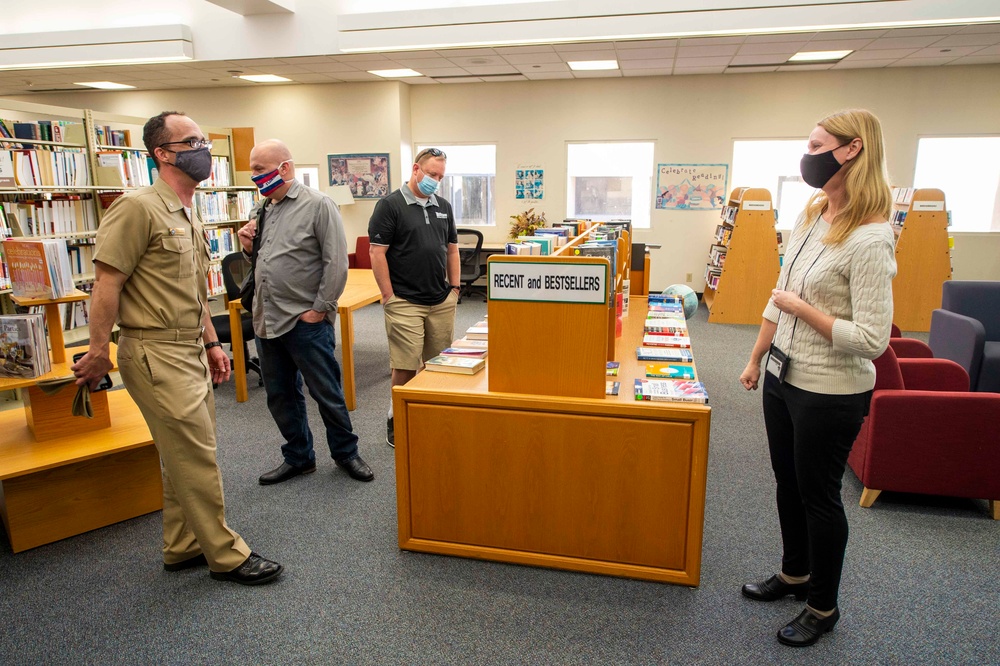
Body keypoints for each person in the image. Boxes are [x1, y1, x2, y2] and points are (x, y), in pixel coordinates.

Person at [72, 111, 282, 586]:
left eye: (204, 139)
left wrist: (211, 342)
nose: (203, 148)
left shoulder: (185, 210)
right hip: (153, 352)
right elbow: (107, 284)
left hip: (187, 348)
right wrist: (99, 349)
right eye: (191, 141)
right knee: (198, 456)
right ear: (162, 153)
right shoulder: (137, 207)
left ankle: (182, 544)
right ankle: (226, 555)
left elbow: (189, 291)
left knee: (183, 453)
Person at [739, 109, 896, 647]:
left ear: (851, 150)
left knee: (819, 497)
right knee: (788, 483)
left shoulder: (871, 238)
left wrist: (804, 312)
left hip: (830, 390)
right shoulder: (812, 214)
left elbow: (873, 339)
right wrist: (757, 355)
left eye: (816, 144)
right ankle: (793, 573)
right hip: (784, 375)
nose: (807, 155)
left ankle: (822, 606)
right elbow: (779, 292)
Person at [238, 139, 374, 485]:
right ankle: (299, 457)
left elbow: (335, 263)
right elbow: (261, 264)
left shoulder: (318, 205)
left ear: (284, 168)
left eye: (258, 169)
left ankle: (346, 453)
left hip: (304, 321)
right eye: (252, 169)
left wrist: (319, 311)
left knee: (325, 391)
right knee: (281, 395)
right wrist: (247, 247)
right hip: (267, 319)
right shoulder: (262, 209)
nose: (253, 176)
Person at [368, 148, 460, 447]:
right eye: (432, 174)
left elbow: (452, 249)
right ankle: (398, 417)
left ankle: (431, 413)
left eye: (440, 176)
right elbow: (376, 253)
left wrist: (455, 289)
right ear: (416, 169)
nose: (436, 180)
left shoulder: (443, 205)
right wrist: (388, 296)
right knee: (405, 365)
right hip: (405, 300)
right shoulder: (390, 205)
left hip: (440, 299)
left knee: (438, 363)